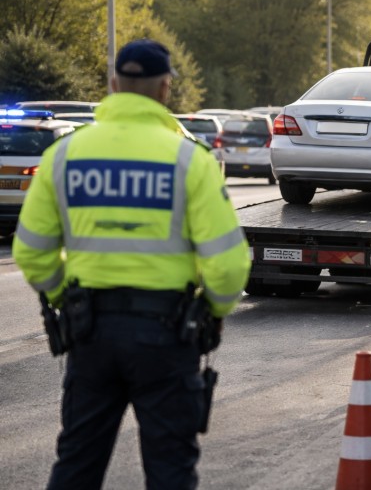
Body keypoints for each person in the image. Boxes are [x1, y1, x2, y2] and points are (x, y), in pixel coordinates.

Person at [12, 39, 251, 489]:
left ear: (113, 84)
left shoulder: (64, 155)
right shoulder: (188, 160)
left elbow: (31, 250)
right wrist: (212, 311)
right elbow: (228, 266)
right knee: (170, 471)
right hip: (167, 335)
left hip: (90, 333)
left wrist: (65, 296)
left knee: (77, 465)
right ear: (165, 89)